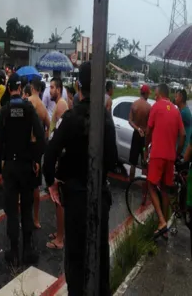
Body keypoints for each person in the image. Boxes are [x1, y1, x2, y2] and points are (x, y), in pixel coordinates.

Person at [44, 62, 118, 295]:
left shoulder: (70, 118)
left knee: (75, 260)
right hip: (99, 198)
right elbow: (114, 160)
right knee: (99, 257)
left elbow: (49, 155)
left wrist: (52, 184)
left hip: (75, 198)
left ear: (78, 86)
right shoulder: (105, 119)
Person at [0, 72, 45, 266]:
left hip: (10, 166)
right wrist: (35, 157)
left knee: (12, 211)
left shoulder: (5, 110)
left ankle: (13, 252)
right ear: (21, 88)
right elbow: (41, 137)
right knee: (26, 208)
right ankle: (28, 251)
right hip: (26, 165)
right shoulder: (29, 109)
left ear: (9, 89)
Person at [145, 83, 186, 239]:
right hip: (170, 157)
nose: (155, 97)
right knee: (165, 189)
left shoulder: (156, 107)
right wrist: (176, 153)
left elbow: (148, 131)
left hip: (157, 154)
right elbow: (182, 135)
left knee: (150, 185)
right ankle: (165, 230)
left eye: (156, 95)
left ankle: (162, 221)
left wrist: (145, 148)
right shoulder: (176, 111)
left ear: (160, 94)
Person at [47, 77, 68, 251]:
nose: (50, 90)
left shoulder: (61, 105)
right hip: (58, 156)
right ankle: (59, 232)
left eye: (52, 87)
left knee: (58, 197)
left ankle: (60, 238)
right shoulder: (59, 104)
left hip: (60, 158)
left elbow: (60, 134)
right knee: (57, 199)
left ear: (59, 89)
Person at [27, 79, 49, 230]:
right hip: (36, 147)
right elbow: (48, 125)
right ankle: (35, 219)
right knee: (35, 185)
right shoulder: (41, 106)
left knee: (23, 182)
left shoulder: (26, 101)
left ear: (32, 88)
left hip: (25, 146)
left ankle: (24, 216)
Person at [128, 85, 152, 181]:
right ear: (146, 93)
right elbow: (150, 125)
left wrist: (137, 128)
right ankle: (144, 187)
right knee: (144, 162)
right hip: (144, 139)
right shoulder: (149, 107)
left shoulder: (134, 104)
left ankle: (130, 184)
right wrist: (144, 130)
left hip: (136, 136)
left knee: (133, 163)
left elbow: (130, 120)